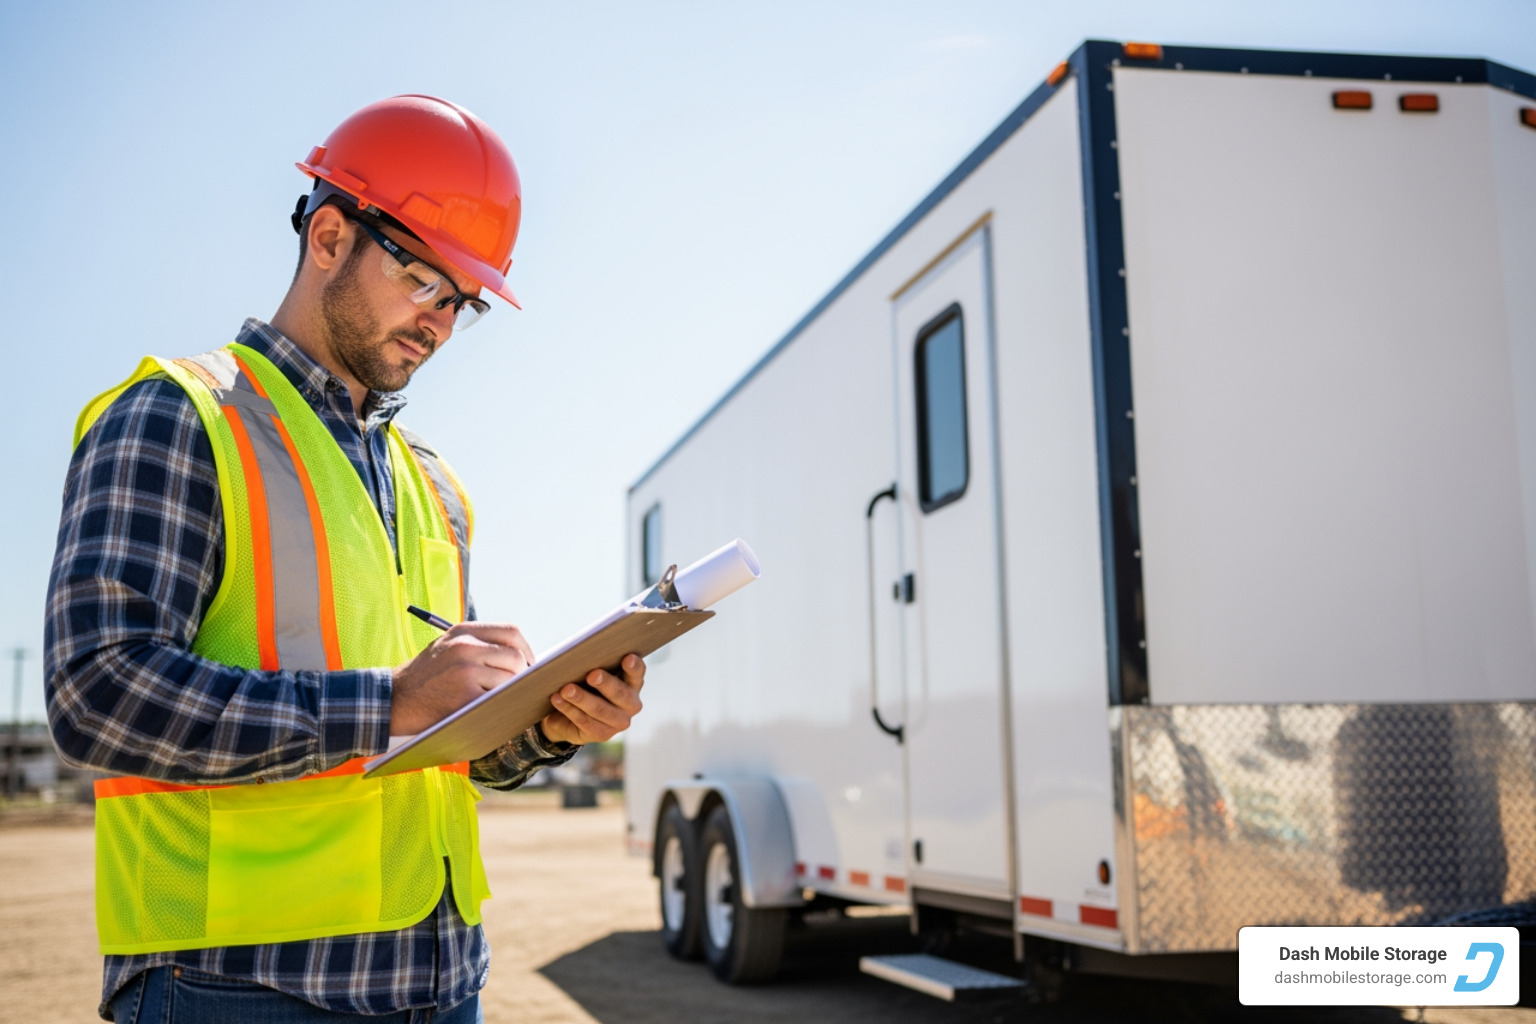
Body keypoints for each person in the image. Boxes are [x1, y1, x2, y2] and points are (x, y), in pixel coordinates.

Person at [45, 94, 646, 1023]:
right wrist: (391, 701)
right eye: (423, 281)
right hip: (239, 985)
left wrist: (548, 724)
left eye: (463, 301)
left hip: (439, 985)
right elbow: (97, 696)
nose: (441, 322)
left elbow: (442, 748)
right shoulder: (180, 418)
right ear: (330, 236)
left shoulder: (432, 486)